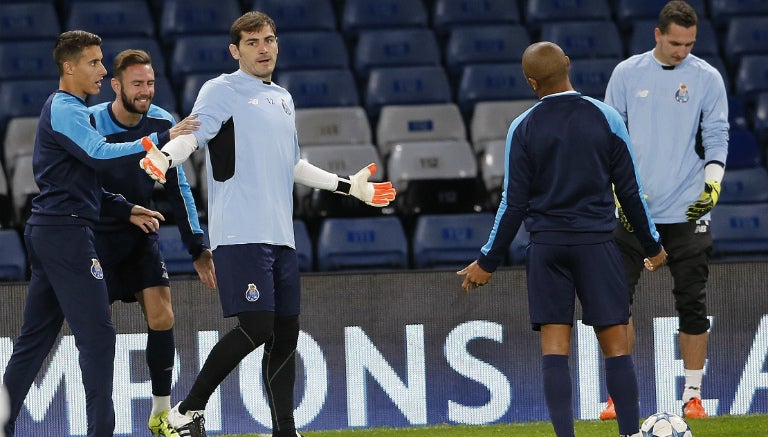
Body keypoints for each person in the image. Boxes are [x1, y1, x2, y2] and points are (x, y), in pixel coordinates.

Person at [138, 11, 397, 437]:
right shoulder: (220, 89)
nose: (264, 48)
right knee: (256, 326)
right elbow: (193, 135)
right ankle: (186, 410)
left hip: (281, 234)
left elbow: (293, 163)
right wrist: (165, 156)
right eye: (254, 42)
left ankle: (285, 430)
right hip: (240, 232)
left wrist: (350, 187)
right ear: (235, 50)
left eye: (270, 40)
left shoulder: (283, 97)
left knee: (285, 335)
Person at [457, 42, 668, 437]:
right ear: (568, 64)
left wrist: (488, 260)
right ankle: (628, 434)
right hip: (596, 245)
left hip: (548, 248)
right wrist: (652, 245)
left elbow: (512, 204)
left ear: (531, 81)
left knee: (555, 348)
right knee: (616, 345)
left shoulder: (522, 127)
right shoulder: (605, 117)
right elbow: (630, 192)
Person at [2, 30, 169, 437]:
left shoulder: (67, 109)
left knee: (34, 341)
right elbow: (99, 154)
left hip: (53, 231)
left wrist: (126, 208)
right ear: (69, 66)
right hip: (66, 235)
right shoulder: (66, 108)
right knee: (97, 337)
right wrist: (160, 139)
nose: (100, 69)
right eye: (94, 62)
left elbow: (85, 183)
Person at [599, 0, 729, 421]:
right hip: (633, 210)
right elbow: (610, 136)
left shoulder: (707, 77)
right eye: (675, 42)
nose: (682, 51)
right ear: (657, 34)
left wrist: (713, 183)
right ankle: (619, 394)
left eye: (689, 43)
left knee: (692, 302)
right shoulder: (626, 73)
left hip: (688, 209)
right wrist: (619, 192)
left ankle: (693, 395)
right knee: (615, 303)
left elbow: (716, 132)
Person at [89, 49, 216, 437]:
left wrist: (198, 246)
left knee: (163, 316)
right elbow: (85, 185)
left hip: (142, 235)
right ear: (116, 86)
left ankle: (161, 415)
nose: (145, 91)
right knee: (96, 334)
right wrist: (122, 210)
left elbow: (178, 188)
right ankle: (100, 421)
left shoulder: (163, 121)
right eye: (136, 84)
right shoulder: (91, 122)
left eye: (149, 83)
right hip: (97, 238)